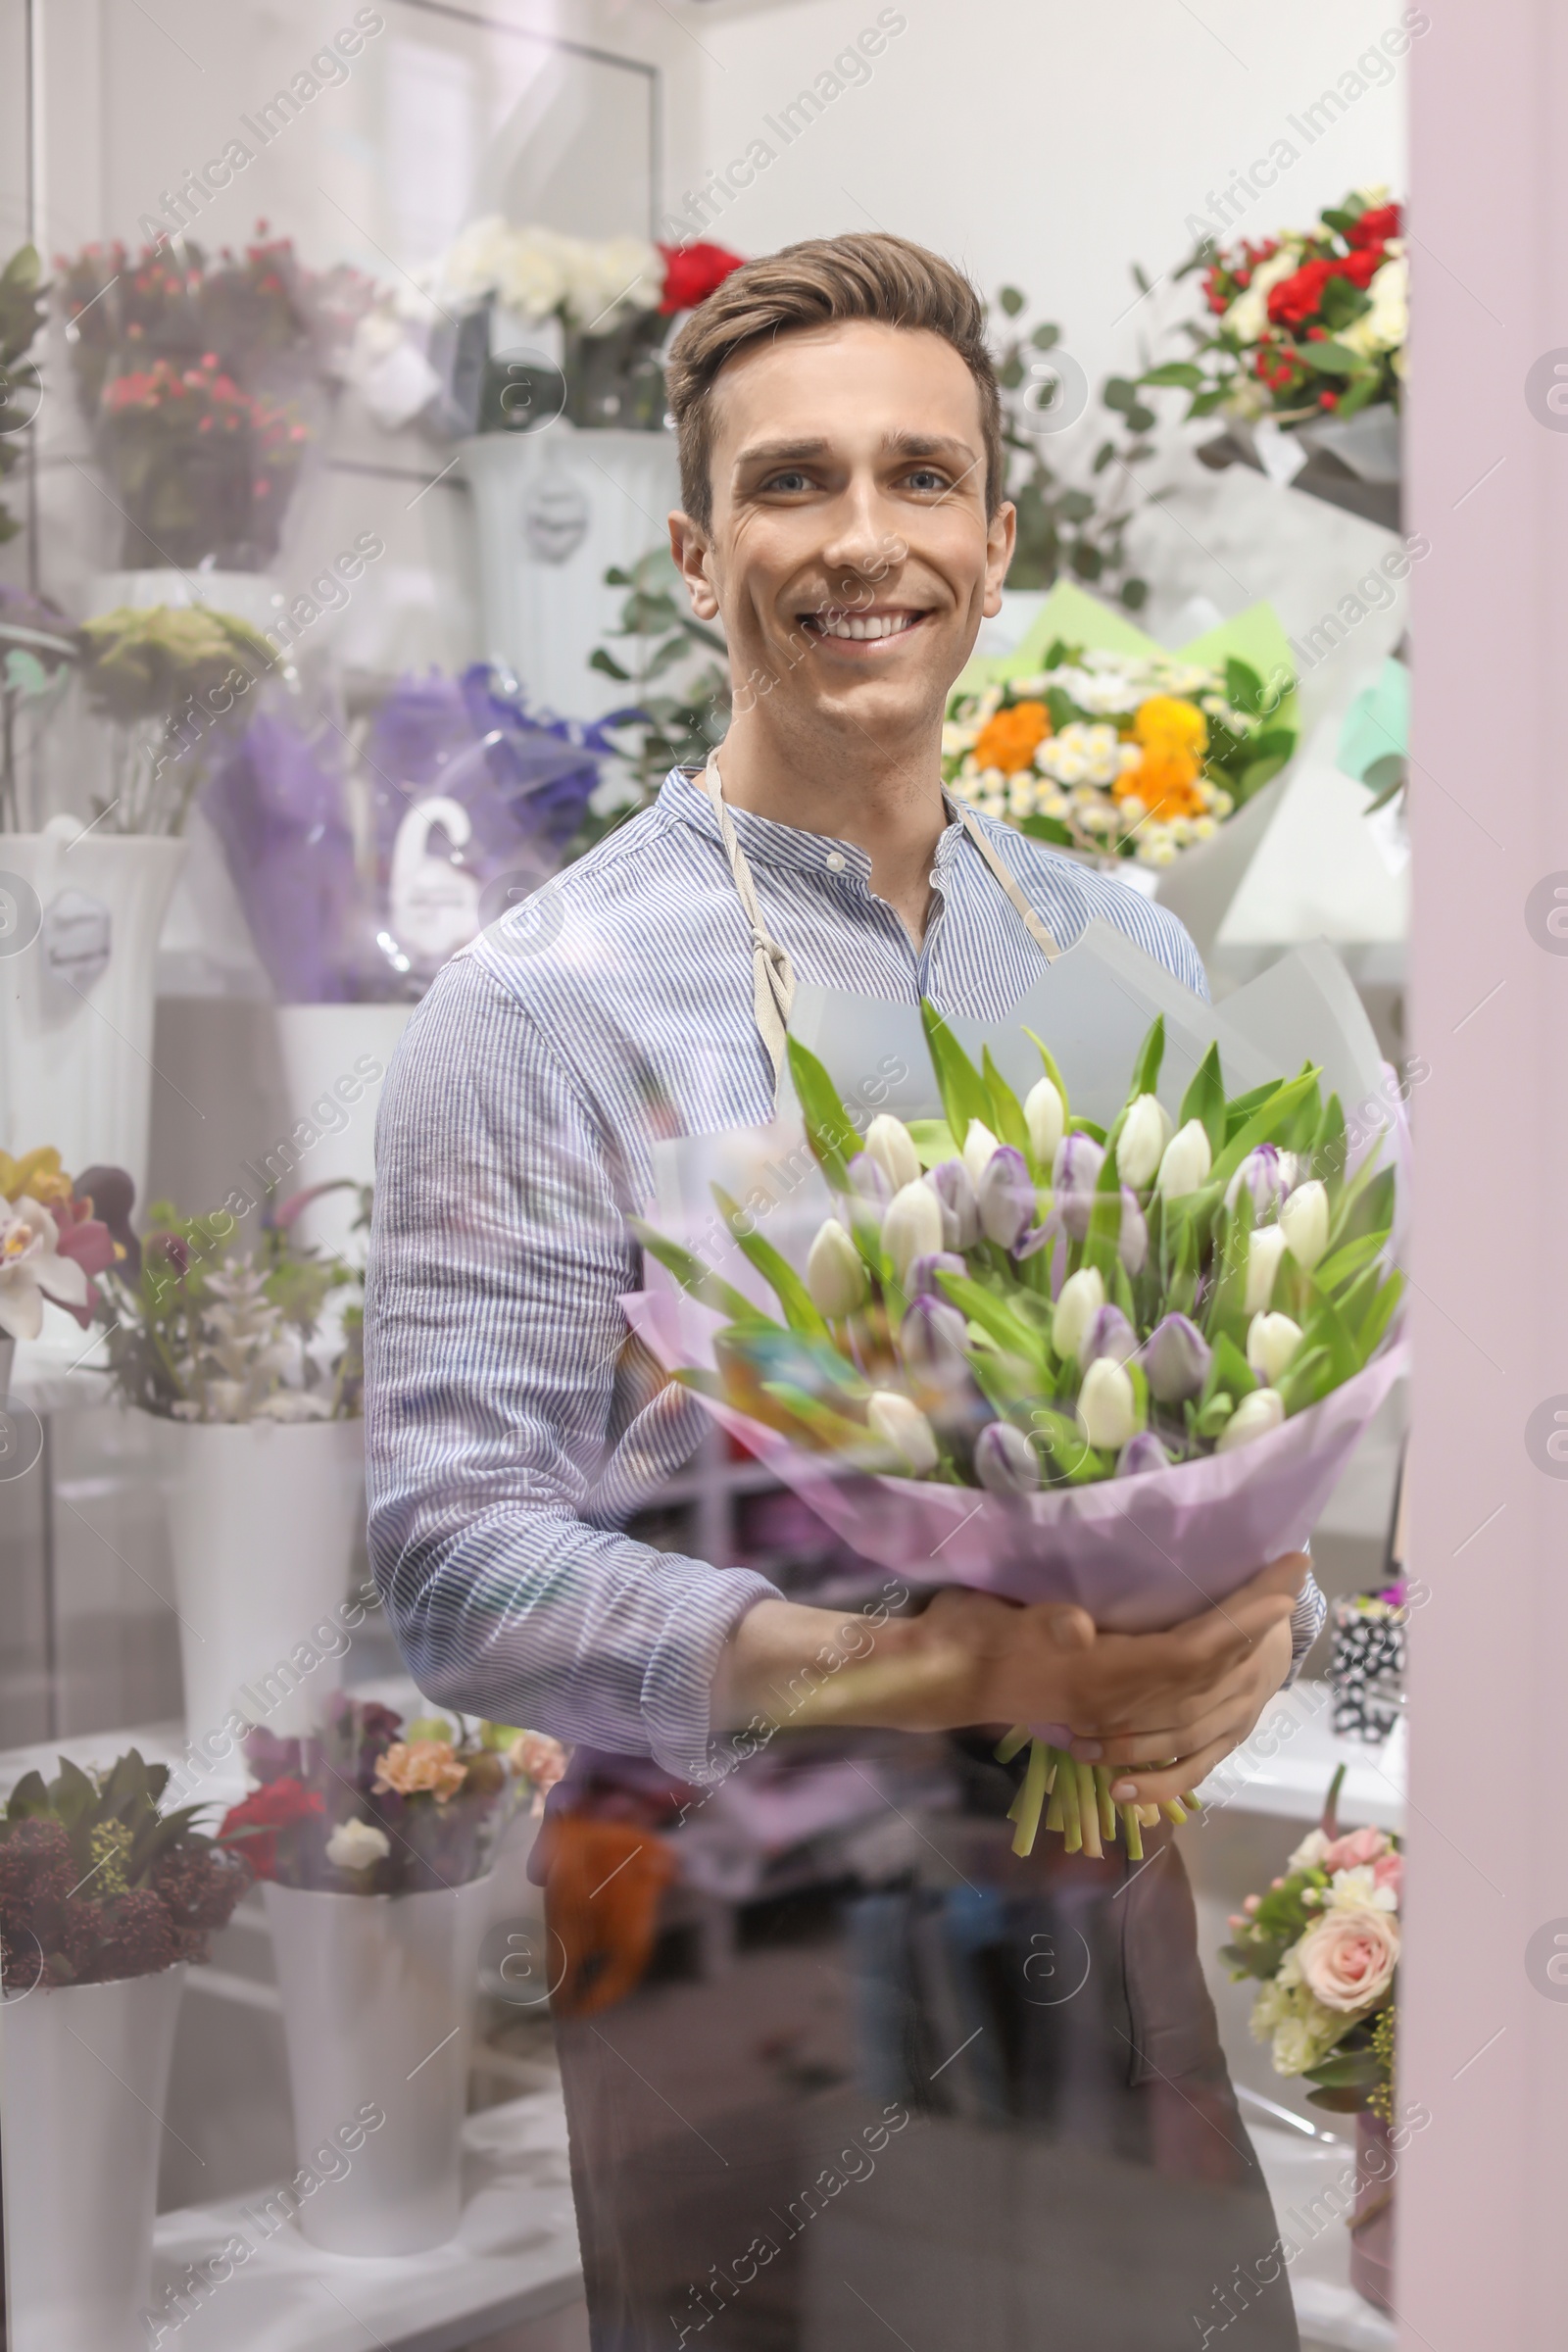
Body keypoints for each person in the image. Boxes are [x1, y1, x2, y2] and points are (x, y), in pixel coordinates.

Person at [367, 232, 1317, 2349]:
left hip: (1087, 1891)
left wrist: (1250, 1631)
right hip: (733, 1938)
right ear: (701, 555)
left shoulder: (1118, 955)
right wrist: (932, 1673)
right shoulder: (541, 1005)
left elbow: (1226, 1433)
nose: (858, 539)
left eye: (915, 476)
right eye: (792, 484)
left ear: (993, 538)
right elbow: (448, 1566)